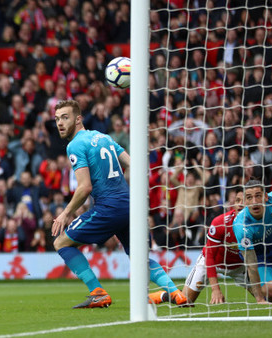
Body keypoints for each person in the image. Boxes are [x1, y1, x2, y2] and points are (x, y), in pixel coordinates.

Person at [51, 100, 187, 309]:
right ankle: (176, 294)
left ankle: (98, 293)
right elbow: (135, 164)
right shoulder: (104, 138)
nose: (60, 123)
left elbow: (84, 187)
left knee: (61, 242)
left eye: (65, 117)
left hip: (109, 207)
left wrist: (65, 213)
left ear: (78, 119)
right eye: (57, 118)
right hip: (130, 205)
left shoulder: (75, 144)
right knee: (139, 258)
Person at [151, 188, 250, 304]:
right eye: (237, 200)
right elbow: (209, 255)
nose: (240, 204)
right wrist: (215, 289)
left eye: (244, 200)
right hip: (212, 262)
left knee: (268, 295)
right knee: (185, 301)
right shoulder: (220, 222)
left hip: (239, 266)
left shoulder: (258, 223)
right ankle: (163, 295)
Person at [233, 179, 272, 303]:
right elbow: (251, 265)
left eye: (258, 196)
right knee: (270, 292)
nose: (254, 202)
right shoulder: (241, 225)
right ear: (245, 201)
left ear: (266, 197)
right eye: (249, 198)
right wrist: (259, 299)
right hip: (260, 256)